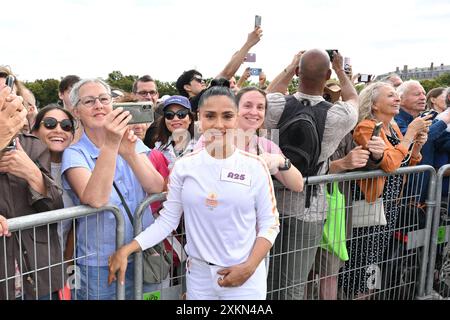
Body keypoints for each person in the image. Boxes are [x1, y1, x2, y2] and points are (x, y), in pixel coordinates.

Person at [108, 86, 280, 300]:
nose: (218, 124)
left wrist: (249, 267)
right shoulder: (184, 167)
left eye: (227, 116)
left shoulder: (255, 166)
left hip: (244, 279)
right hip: (199, 277)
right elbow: (168, 220)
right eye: (210, 116)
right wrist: (128, 248)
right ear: (199, 118)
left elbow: (270, 223)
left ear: (236, 118)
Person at [265, 49, 359, 300]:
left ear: (297, 73)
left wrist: (291, 62)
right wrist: (340, 70)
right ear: (327, 75)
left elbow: (267, 95)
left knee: (267, 276)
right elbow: (353, 99)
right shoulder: (337, 115)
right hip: (308, 207)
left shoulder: (275, 106)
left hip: (269, 203)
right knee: (293, 283)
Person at [60, 78, 164, 300]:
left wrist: (128, 152)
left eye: (104, 99)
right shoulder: (75, 153)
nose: (98, 105)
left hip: (142, 251)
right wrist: (110, 144)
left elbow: (156, 186)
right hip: (100, 262)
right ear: (76, 111)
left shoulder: (132, 142)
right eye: (88, 101)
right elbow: (96, 199)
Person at [339, 81, 428, 298]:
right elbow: (388, 165)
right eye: (390, 95)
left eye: (397, 95)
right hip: (371, 205)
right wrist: (409, 137)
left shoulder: (394, 126)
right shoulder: (366, 127)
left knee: (375, 258)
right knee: (362, 258)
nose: (397, 98)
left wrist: (416, 145)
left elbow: (405, 165)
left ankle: (367, 294)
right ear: (375, 104)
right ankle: (357, 294)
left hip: (390, 204)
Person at [0, 83, 64, 300]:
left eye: (9, 95)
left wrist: (33, 175)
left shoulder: (33, 146)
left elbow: (55, 207)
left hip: (39, 272)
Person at [31, 104, 77, 256]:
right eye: (50, 124)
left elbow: (76, 226)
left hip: (58, 265)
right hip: (25, 265)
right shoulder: (20, 167)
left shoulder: (77, 170)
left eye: (66, 126)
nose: (58, 130)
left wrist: (67, 263)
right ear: (34, 131)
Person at [149, 95, 196, 169]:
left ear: (190, 119)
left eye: (181, 114)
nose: (175, 119)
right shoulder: (158, 149)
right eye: (169, 115)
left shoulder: (202, 144)